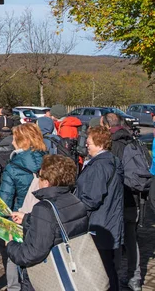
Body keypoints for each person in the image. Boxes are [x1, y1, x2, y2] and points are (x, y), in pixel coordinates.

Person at [7, 154, 89, 289]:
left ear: (46, 182)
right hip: (70, 271)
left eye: (40, 176)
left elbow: (32, 254)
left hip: (47, 277)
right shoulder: (76, 201)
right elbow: (56, 225)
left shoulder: (44, 208)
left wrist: (10, 245)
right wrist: (28, 218)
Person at [0, 123, 47, 291]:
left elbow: (5, 200)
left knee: (13, 256)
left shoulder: (13, 167)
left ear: (21, 141)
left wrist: (2, 224)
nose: (12, 142)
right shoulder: (48, 161)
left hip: (18, 216)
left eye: (14, 139)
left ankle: (14, 288)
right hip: (43, 217)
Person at [76, 126, 124, 291]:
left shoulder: (100, 166)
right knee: (106, 267)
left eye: (88, 142)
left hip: (99, 222)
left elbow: (92, 199)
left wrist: (74, 210)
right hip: (107, 221)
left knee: (102, 269)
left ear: (99, 143)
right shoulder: (109, 160)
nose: (86, 145)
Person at [101, 113, 142, 291]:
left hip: (116, 200)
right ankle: (135, 277)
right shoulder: (133, 141)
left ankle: (113, 279)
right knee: (132, 238)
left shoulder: (111, 144)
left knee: (114, 239)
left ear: (106, 125)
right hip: (133, 198)